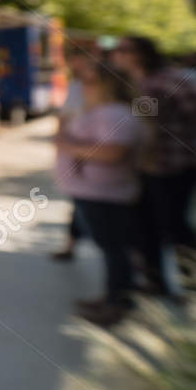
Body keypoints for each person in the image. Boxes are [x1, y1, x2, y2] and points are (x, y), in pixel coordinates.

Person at [111, 35, 196, 293]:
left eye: (123, 49)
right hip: (143, 168)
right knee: (144, 226)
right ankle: (155, 281)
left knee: (175, 228)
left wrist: (172, 134)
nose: (116, 54)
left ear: (141, 54)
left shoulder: (170, 81)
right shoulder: (128, 84)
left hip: (174, 167)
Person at [55, 62, 143, 326]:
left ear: (108, 85)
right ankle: (113, 296)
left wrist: (69, 146)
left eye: (91, 81)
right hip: (97, 191)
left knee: (114, 248)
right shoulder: (106, 111)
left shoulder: (113, 113)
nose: (83, 87)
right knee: (111, 247)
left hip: (104, 193)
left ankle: (117, 303)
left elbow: (113, 151)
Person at [51, 48, 95, 262]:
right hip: (78, 149)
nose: (76, 65)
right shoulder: (77, 86)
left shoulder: (102, 87)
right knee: (78, 200)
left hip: (93, 150)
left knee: (84, 202)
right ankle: (70, 245)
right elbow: (65, 117)